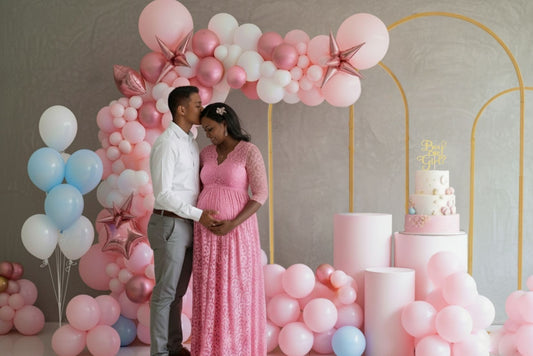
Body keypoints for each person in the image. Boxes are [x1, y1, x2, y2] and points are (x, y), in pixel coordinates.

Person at [191, 103, 268, 356]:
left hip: (237, 233)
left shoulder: (248, 151)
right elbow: (199, 192)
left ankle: (236, 350)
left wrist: (233, 222)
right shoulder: (205, 153)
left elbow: (261, 193)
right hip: (205, 234)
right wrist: (200, 216)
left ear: (225, 123)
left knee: (236, 289)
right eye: (205, 130)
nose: (208, 134)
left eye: (211, 128)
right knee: (208, 289)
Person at [148, 86, 219, 356]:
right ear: (181, 109)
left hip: (188, 224)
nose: (202, 109)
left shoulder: (191, 140)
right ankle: (159, 352)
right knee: (165, 292)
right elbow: (163, 194)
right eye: (197, 105)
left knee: (177, 293)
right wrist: (200, 215)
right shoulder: (167, 143)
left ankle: (174, 347)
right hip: (169, 224)